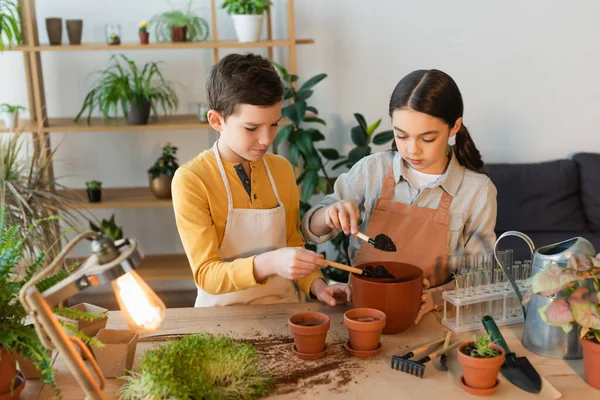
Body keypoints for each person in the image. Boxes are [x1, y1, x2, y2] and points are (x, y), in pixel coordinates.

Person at [302, 69, 497, 322]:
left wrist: (436, 297)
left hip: (431, 319)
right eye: (401, 135)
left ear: (454, 127)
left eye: (427, 138)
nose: (412, 149)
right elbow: (310, 230)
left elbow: (479, 275)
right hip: (361, 315)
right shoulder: (371, 170)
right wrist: (330, 214)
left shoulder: (477, 191)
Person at [172, 53, 351, 307]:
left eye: (274, 124)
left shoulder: (281, 169)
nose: (267, 139)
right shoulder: (192, 179)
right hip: (219, 318)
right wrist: (269, 263)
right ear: (216, 120)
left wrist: (318, 286)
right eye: (252, 128)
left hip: (283, 311)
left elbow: (292, 243)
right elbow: (206, 274)